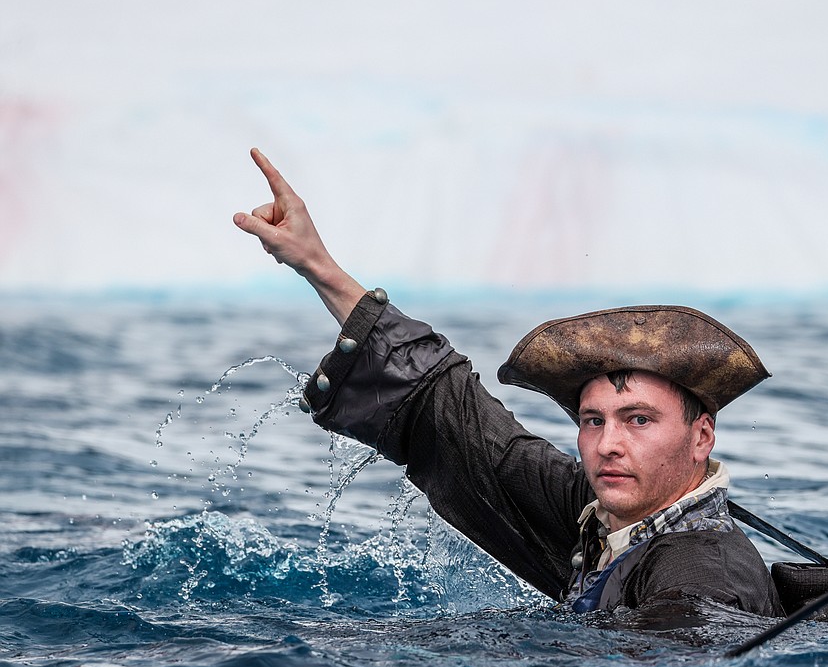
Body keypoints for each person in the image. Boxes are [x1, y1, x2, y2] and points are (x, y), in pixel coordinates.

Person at [232, 148, 782, 618]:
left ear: (701, 437)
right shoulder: (599, 511)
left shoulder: (704, 578)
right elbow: (457, 420)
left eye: (639, 419)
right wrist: (318, 266)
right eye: (594, 420)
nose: (609, 443)